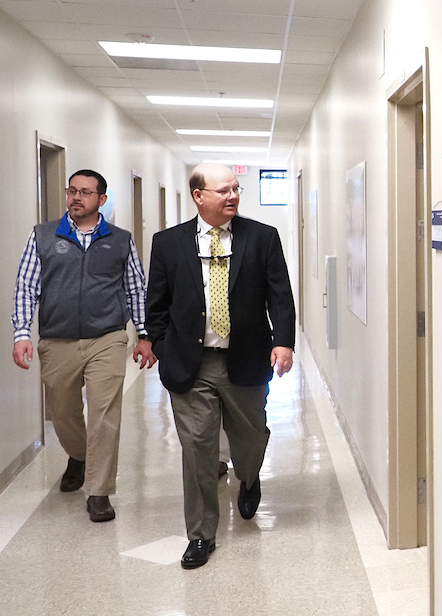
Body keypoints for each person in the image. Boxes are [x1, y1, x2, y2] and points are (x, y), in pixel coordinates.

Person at [145, 163, 295, 569]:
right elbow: (155, 305)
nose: (232, 196)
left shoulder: (262, 238)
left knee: (248, 440)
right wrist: (162, 344)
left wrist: (283, 342)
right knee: (197, 449)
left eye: (236, 189)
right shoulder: (168, 243)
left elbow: (280, 295)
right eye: (223, 190)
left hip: (245, 358)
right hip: (191, 364)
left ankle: (249, 474)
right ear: (199, 196)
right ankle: (200, 534)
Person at [11, 169, 156, 523]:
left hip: (106, 338)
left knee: (105, 416)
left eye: (85, 193)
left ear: (101, 200)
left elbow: (136, 288)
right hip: (57, 339)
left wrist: (144, 334)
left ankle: (99, 492)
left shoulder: (120, 240)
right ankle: (78, 456)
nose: (76, 198)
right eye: (72, 191)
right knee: (63, 412)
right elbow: (26, 286)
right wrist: (22, 333)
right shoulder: (43, 236)